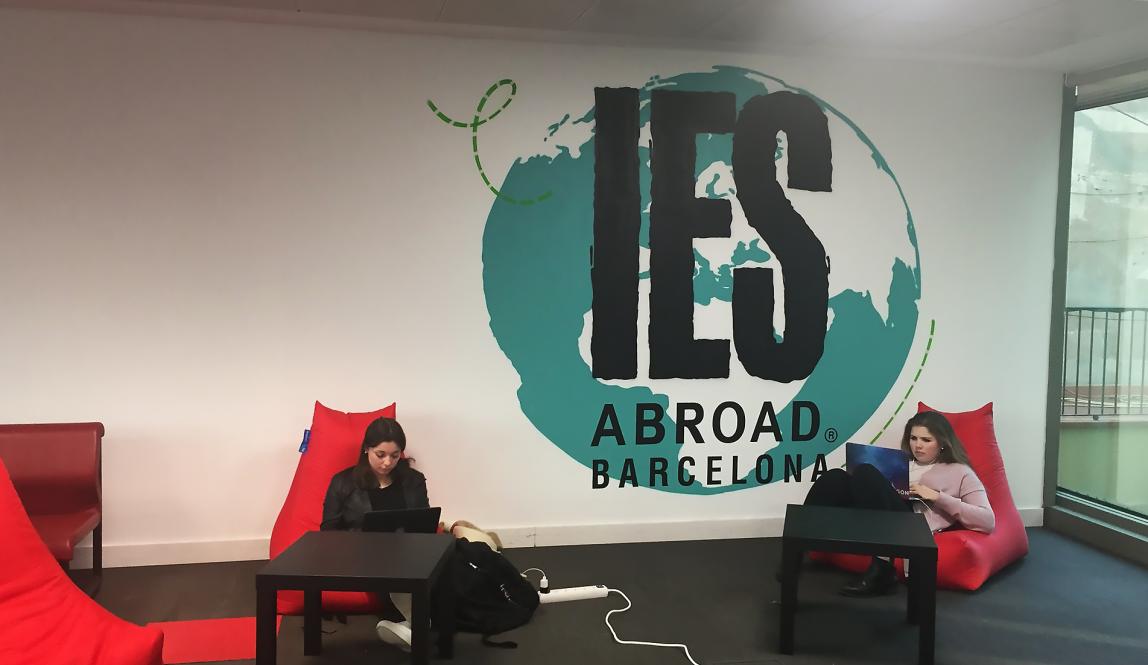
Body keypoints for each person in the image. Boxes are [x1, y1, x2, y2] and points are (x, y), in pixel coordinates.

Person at [801, 411, 995, 597]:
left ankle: (883, 572)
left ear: (943, 443)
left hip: (912, 523)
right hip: (879, 513)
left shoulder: (961, 472)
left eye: (926, 440)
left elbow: (987, 520)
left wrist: (936, 496)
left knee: (866, 473)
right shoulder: (903, 462)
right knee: (834, 477)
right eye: (913, 438)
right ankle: (796, 554)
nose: (918, 445)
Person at [321, 416, 429, 651]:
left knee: (448, 562)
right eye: (381, 455)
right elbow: (328, 532)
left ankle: (411, 631)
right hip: (366, 557)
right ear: (366, 449)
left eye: (395, 455)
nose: (388, 462)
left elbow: (423, 521)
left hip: (411, 552)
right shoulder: (343, 482)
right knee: (395, 571)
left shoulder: (413, 480)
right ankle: (419, 629)